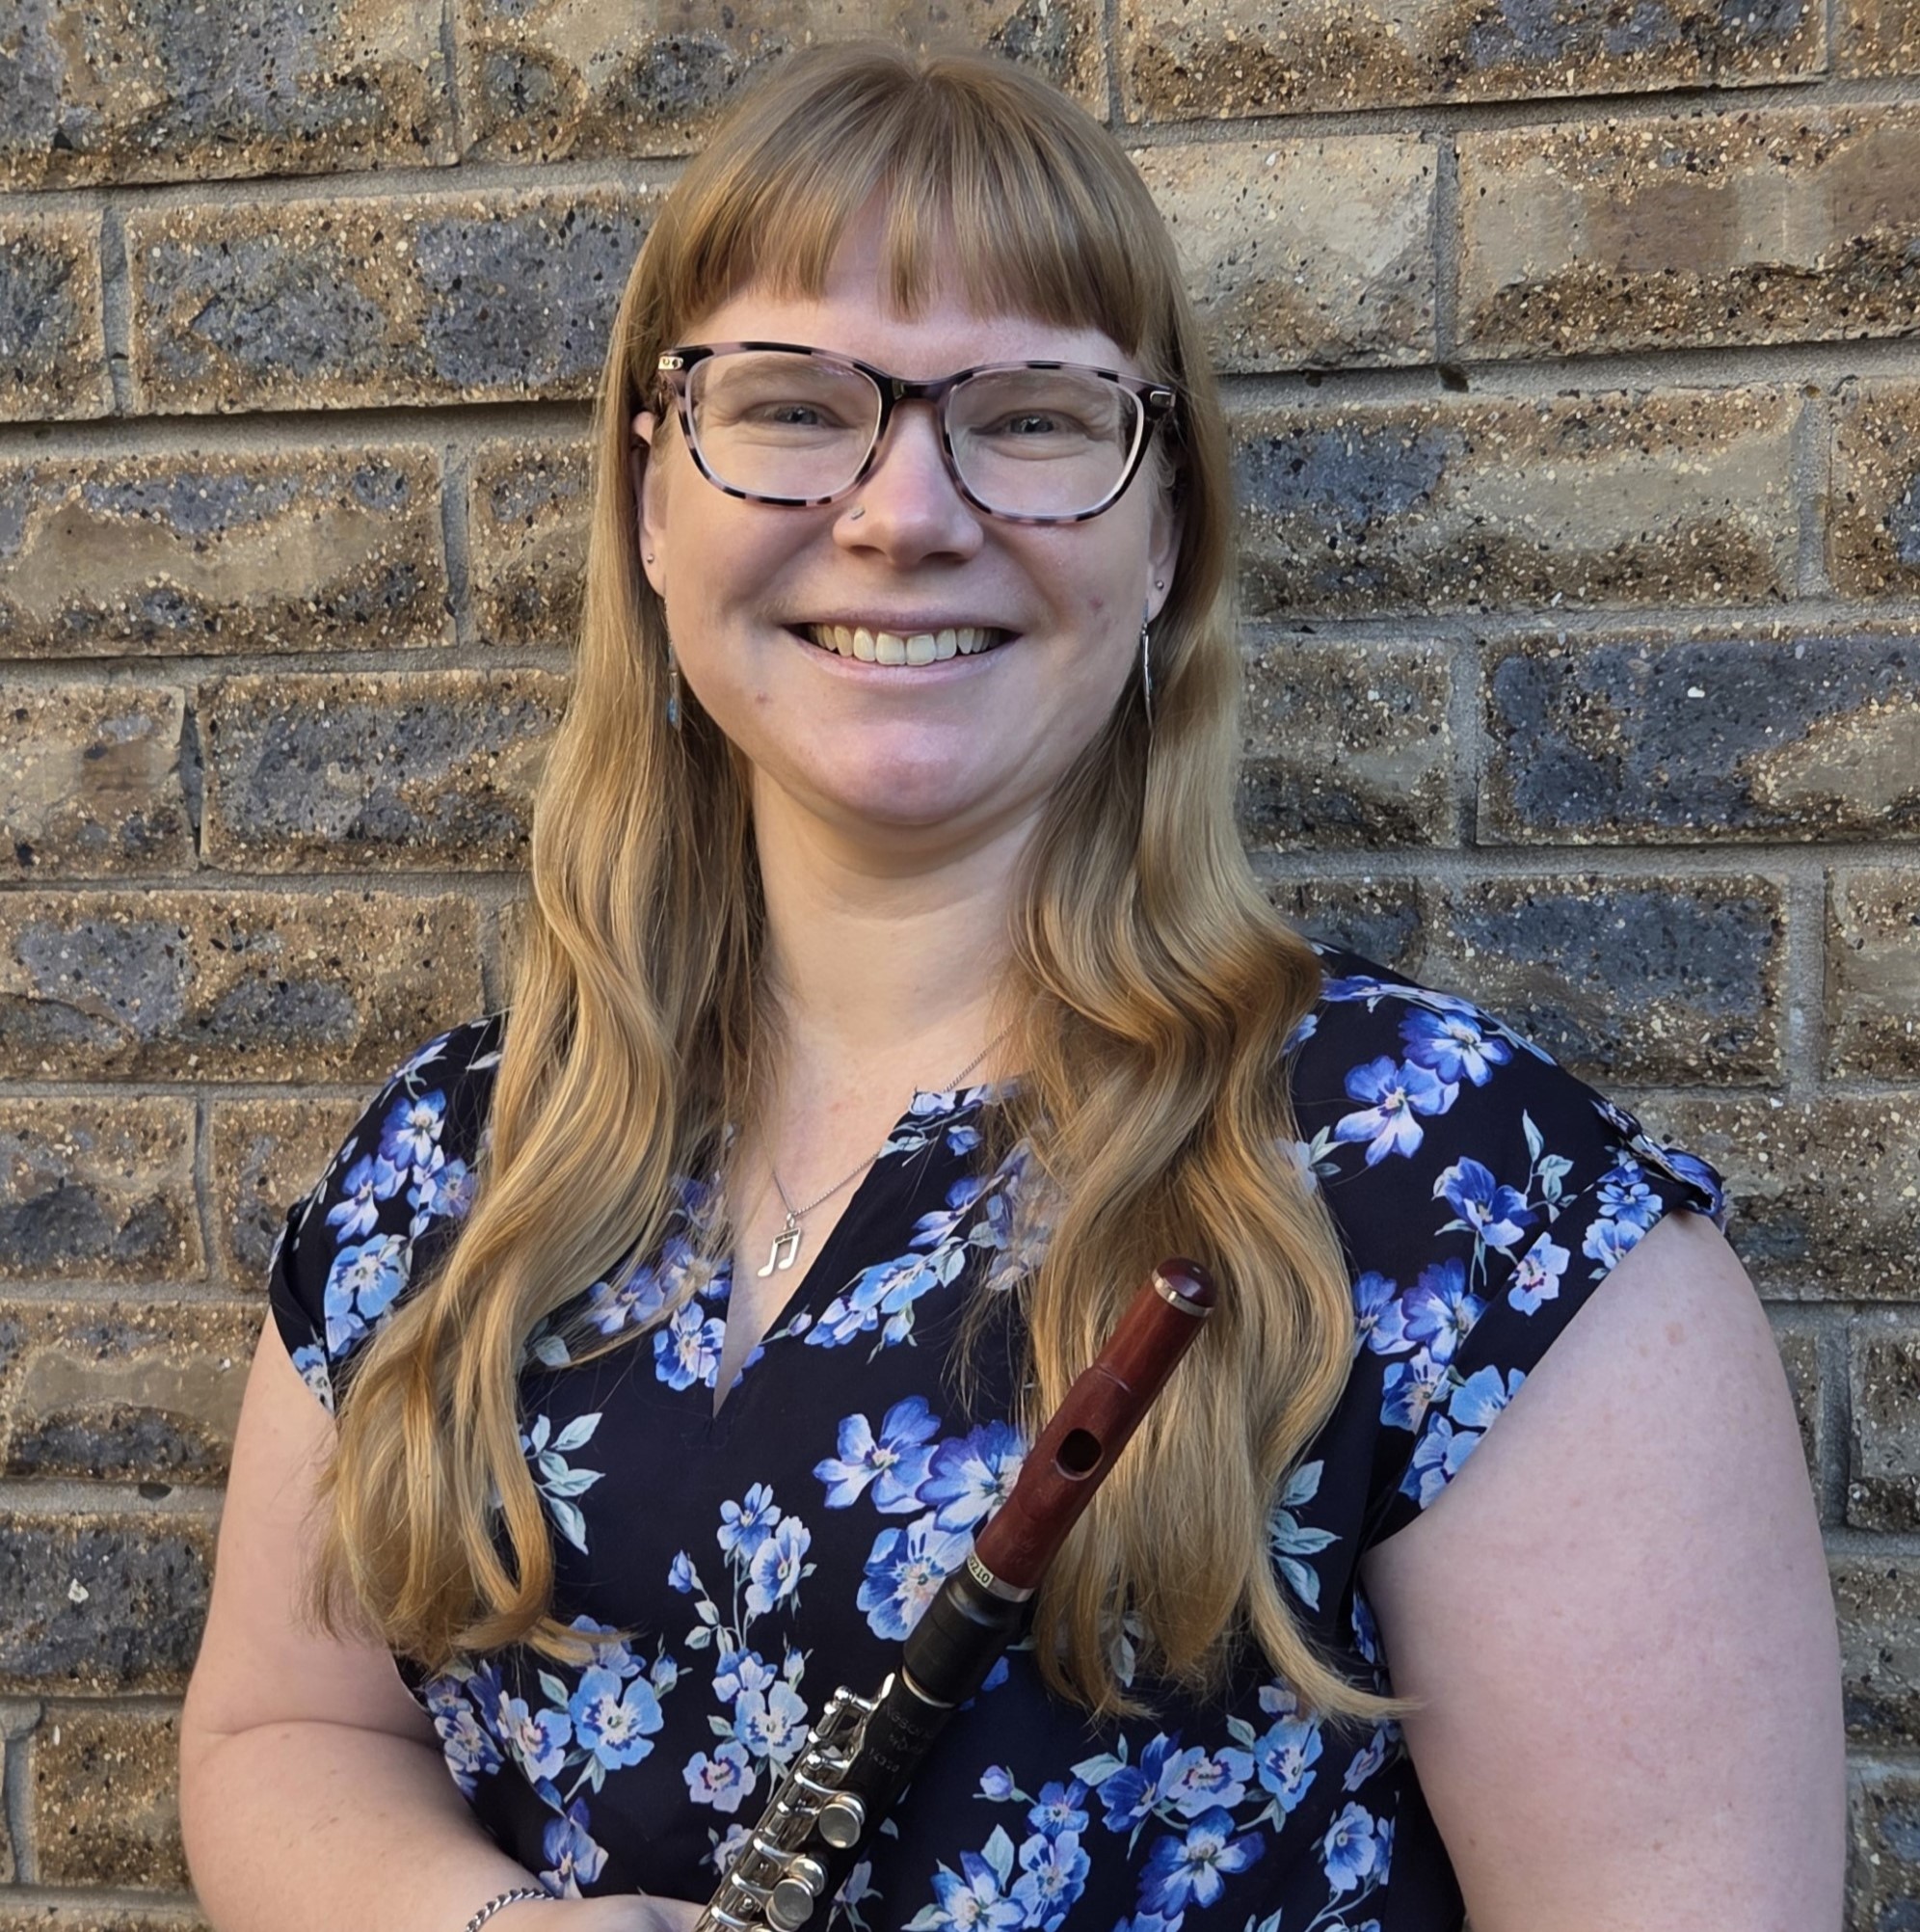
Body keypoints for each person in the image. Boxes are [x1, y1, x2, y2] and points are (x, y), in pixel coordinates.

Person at [177, 40, 1846, 1932]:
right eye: (792, 405)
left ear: (1163, 542)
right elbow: (279, 1736)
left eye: (1036, 416)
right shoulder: (452, 1158)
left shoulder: (1464, 1198)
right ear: (652, 512)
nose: (905, 511)